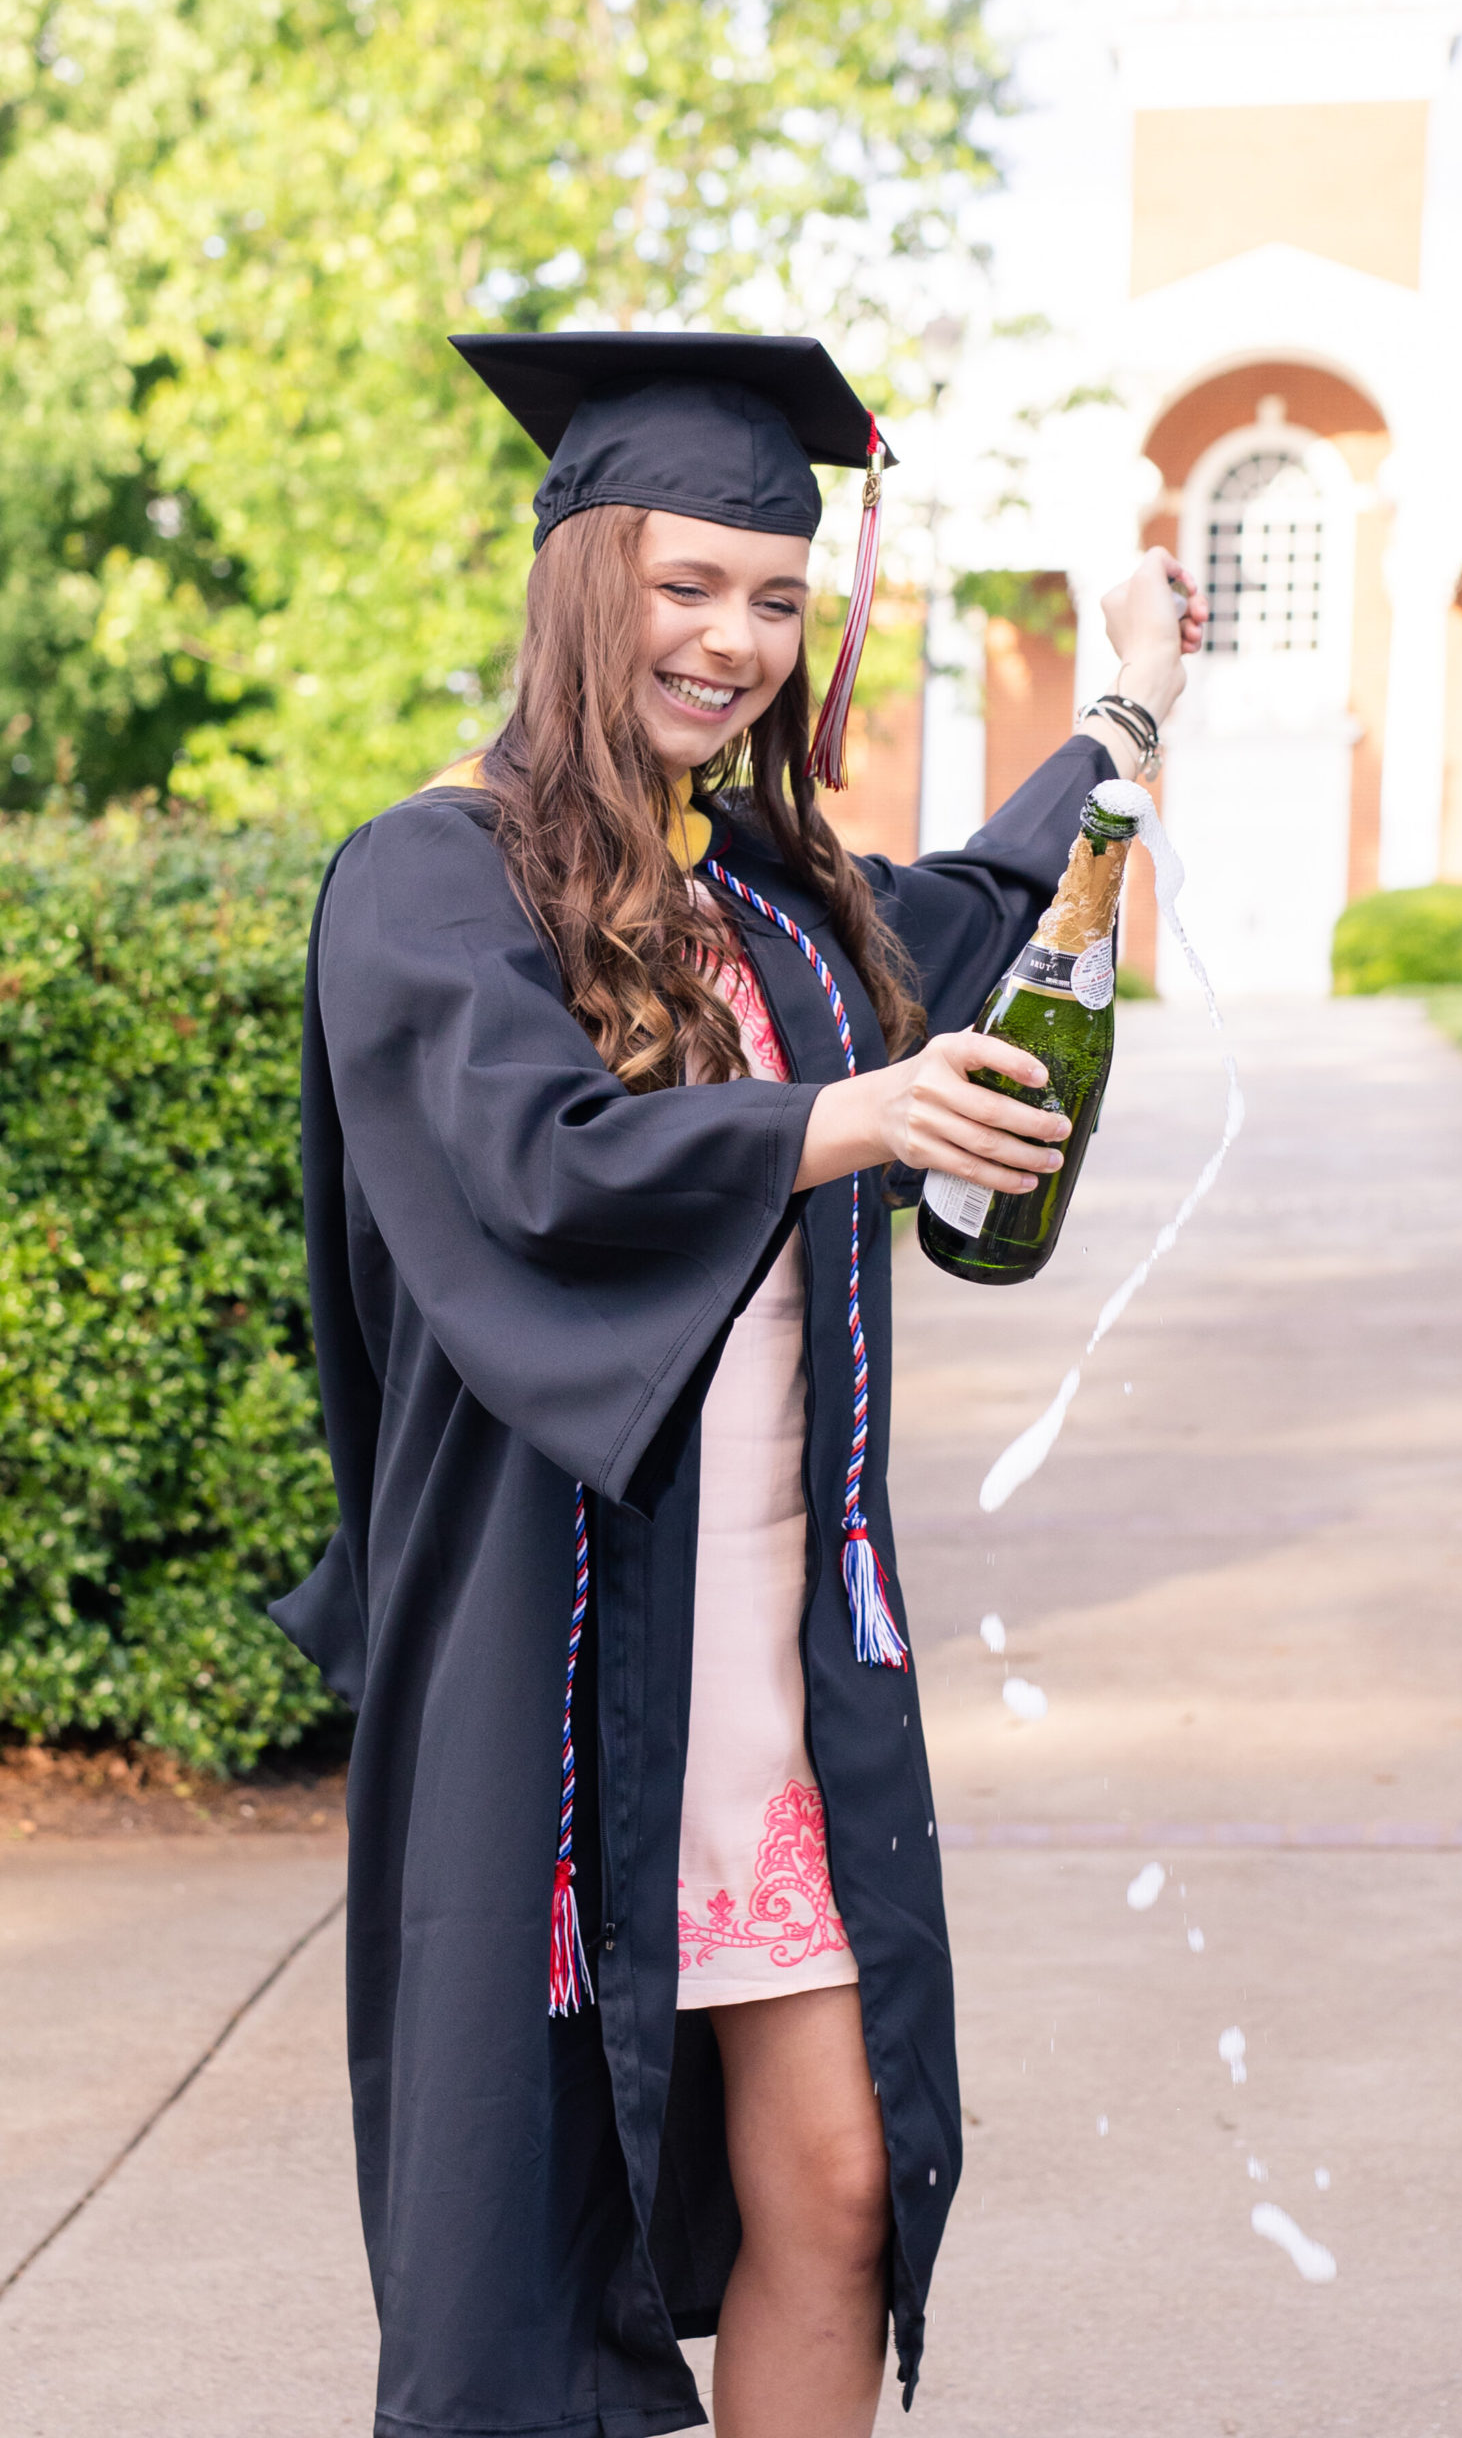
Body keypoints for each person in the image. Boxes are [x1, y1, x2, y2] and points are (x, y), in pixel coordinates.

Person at [271, 330, 1204, 2438]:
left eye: (774, 597)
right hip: (559, 1654)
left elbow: (961, 920)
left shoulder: (762, 903)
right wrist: (854, 1122)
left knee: (844, 2184)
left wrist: (1129, 703)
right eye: (687, 584)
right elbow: (541, 1159)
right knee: (520, 2267)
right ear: (581, 574)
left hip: (771, 1663)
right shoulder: (430, 881)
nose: (734, 638)